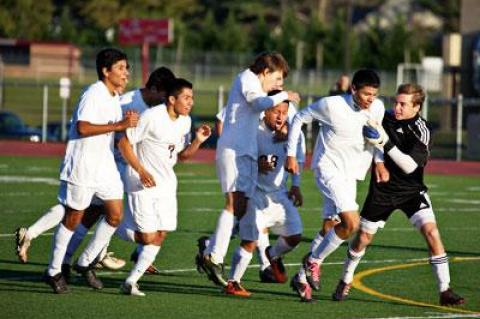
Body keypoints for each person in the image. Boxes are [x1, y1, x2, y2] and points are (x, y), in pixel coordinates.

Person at [15, 67, 175, 275]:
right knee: (83, 210)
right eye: (164, 95)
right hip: (106, 162)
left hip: (115, 165)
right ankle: (83, 256)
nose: (166, 101)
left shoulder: (150, 109)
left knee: (90, 211)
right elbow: (96, 127)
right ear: (154, 88)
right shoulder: (126, 101)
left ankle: (66, 252)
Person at [332, 83, 465, 307]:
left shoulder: (422, 130)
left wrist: (384, 142)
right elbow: (371, 138)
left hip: (411, 190)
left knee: (432, 232)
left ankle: (445, 290)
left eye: (403, 104)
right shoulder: (385, 117)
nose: (397, 108)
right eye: (396, 102)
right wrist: (379, 160)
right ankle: (345, 279)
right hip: (382, 191)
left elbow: (409, 166)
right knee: (363, 238)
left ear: (417, 107)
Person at [199, 52, 300, 286]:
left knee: (242, 207)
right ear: (265, 72)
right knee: (234, 203)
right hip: (233, 151)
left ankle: (210, 248)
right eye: (277, 80)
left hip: (245, 152)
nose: (278, 86)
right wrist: (285, 95)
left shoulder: (258, 85)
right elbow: (258, 103)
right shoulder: (248, 79)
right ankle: (214, 256)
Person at [44, 48, 138, 294]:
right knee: (73, 218)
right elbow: (83, 127)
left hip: (104, 166)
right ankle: (54, 269)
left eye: (126, 67)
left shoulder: (114, 97)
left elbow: (117, 135)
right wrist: (119, 125)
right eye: (120, 68)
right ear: (106, 71)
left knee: (115, 214)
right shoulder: (93, 93)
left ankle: (84, 261)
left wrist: (126, 130)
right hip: (82, 165)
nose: (126, 73)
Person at [286, 69, 385, 302]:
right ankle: (313, 263)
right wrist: (291, 154)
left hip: (351, 176)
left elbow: (378, 136)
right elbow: (299, 118)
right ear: (353, 90)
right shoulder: (332, 105)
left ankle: (301, 276)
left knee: (332, 225)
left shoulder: (377, 108)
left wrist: (379, 162)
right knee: (351, 223)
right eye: (366, 94)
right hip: (328, 169)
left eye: (374, 94)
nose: (370, 99)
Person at [117, 78, 212, 296]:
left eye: (192, 98)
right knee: (147, 237)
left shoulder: (185, 122)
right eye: (186, 98)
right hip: (142, 182)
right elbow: (123, 143)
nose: (191, 102)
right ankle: (112, 220)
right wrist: (141, 170)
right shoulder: (152, 117)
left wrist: (197, 141)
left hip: (167, 184)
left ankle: (131, 281)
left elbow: (181, 157)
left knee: (162, 233)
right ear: (172, 99)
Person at [224, 92, 305, 296]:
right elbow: (234, 160)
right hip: (254, 194)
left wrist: (295, 185)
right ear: (265, 111)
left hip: (278, 195)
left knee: (295, 235)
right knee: (249, 240)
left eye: (284, 113)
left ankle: (273, 255)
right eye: (276, 112)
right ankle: (233, 282)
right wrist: (256, 165)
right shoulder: (253, 131)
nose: (280, 117)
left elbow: (298, 161)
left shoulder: (292, 134)